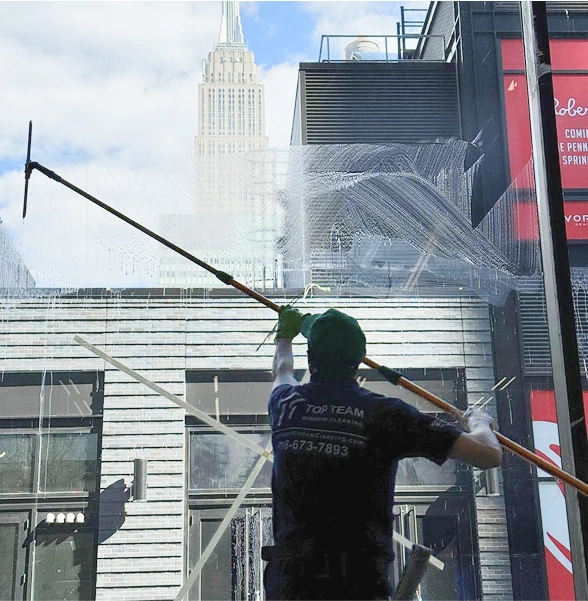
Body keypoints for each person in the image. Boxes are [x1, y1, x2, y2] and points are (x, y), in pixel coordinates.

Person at [262, 307, 502, 601]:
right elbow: (488, 454)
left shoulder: (286, 405)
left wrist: (284, 336)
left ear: (311, 359)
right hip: (356, 584)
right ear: (358, 361)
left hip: (290, 584)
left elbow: (283, 370)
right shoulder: (386, 415)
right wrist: (479, 421)